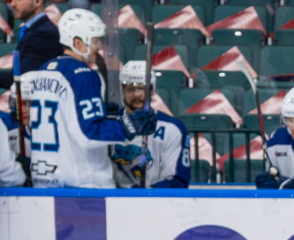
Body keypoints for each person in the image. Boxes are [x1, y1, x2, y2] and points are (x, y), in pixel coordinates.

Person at [14, 10, 137, 188]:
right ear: (77, 42)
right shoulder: (83, 75)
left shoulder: (42, 71)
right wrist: (127, 126)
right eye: (95, 40)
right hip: (82, 184)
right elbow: (88, 133)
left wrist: (107, 116)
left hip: (45, 180)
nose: (99, 47)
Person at [117, 60, 190, 188]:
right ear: (122, 90)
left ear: (152, 90)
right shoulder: (109, 124)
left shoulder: (172, 129)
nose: (137, 94)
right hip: (111, 202)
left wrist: (144, 196)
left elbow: (177, 181)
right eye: (130, 89)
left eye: (142, 88)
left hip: (155, 205)